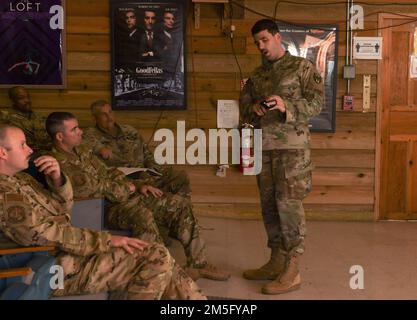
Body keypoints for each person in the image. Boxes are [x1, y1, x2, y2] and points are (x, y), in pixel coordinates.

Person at [0, 124, 206, 300]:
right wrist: (105, 240)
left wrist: (57, 180)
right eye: (22, 145)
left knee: (157, 256)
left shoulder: (21, 180)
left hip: (63, 251)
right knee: (155, 257)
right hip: (44, 267)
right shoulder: (4, 194)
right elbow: (41, 234)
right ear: (2, 152)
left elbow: (62, 212)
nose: (30, 149)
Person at [45, 112, 230, 282]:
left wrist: (139, 185)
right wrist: (130, 187)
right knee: (142, 215)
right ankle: (161, 270)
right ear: (60, 136)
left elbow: (110, 172)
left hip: (122, 196)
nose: (80, 131)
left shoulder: (82, 151)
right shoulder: (58, 165)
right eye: (74, 129)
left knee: (178, 204)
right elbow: (97, 189)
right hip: (102, 208)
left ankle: (199, 263)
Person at [239, 19, 324, 295]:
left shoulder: (302, 68)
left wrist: (286, 104)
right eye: (257, 43)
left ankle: (293, 268)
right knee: (269, 207)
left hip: (292, 151)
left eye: (264, 40)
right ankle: (276, 261)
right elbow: (245, 111)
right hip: (265, 150)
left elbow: (316, 104)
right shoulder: (257, 76)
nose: (261, 46)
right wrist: (253, 107)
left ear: (277, 37)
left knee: (288, 208)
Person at [83, 100, 191, 198]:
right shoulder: (90, 135)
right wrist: (101, 149)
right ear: (94, 118)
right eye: (103, 114)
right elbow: (90, 147)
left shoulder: (130, 131)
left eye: (110, 112)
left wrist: (156, 171)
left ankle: (177, 205)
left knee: (180, 176)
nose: (109, 117)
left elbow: (147, 154)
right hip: (123, 180)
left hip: (145, 173)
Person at [0, 86, 51, 151]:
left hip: (44, 155)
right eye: (21, 98)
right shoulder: (6, 118)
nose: (27, 100)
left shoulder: (40, 117)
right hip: (19, 156)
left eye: (28, 97)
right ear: (12, 100)